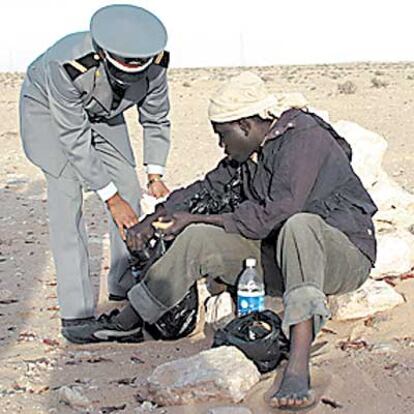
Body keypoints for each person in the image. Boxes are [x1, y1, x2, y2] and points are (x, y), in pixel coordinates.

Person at [118, 71, 378, 410]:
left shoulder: (304, 139)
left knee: (299, 224)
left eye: (222, 136)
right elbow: (205, 188)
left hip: (343, 255)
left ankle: (298, 366)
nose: (222, 145)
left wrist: (194, 217)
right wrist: (152, 221)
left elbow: (279, 213)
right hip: (284, 256)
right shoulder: (250, 154)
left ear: (244, 125)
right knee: (198, 237)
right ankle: (129, 318)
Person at [18, 4, 171, 344]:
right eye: (124, 63)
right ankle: (76, 316)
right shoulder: (67, 64)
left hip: (105, 111)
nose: (133, 68)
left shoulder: (157, 64)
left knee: (128, 187)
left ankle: (122, 282)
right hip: (50, 111)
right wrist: (109, 197)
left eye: (138, 64)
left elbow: (156, 117)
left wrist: (155, 173)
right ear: (103, 53)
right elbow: (73, 138)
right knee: (67, 197)